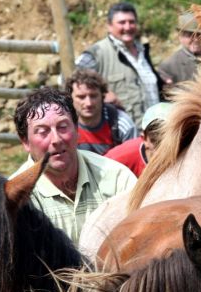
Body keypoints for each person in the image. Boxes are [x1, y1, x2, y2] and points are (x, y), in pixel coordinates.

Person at [11, 87, 137, 243]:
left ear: (77, 130)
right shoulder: (16, 197)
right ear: (25, 141)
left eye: (63, 127)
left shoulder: (116, 177)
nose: (56, 139)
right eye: (43, 131)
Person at [75, 1, 164, 126]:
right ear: (109, 26)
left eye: (131, 22)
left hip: (155, 130)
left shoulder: (142, 50)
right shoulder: (98, 52)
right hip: (123, 134)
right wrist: (103, 94)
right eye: (122, 23)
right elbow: (71, 77)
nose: (127, 27)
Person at [67, 69, 138, 155]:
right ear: (70, 98)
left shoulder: (122, 124)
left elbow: (134, 159)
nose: (88, 103)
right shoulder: (64, 126)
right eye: (81, 97)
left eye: (93, 96)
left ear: (102, 96)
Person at [105, 102, 171, 177]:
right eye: (156, 141)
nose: (162, 148)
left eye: (169, 141)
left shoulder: (184, 158)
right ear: (144, 138)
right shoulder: (121, 157)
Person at [158, 12, 201, 86]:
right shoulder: (168, 66)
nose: (196, 39)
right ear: (180, 36)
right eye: (190, 35)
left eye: (199, 35)